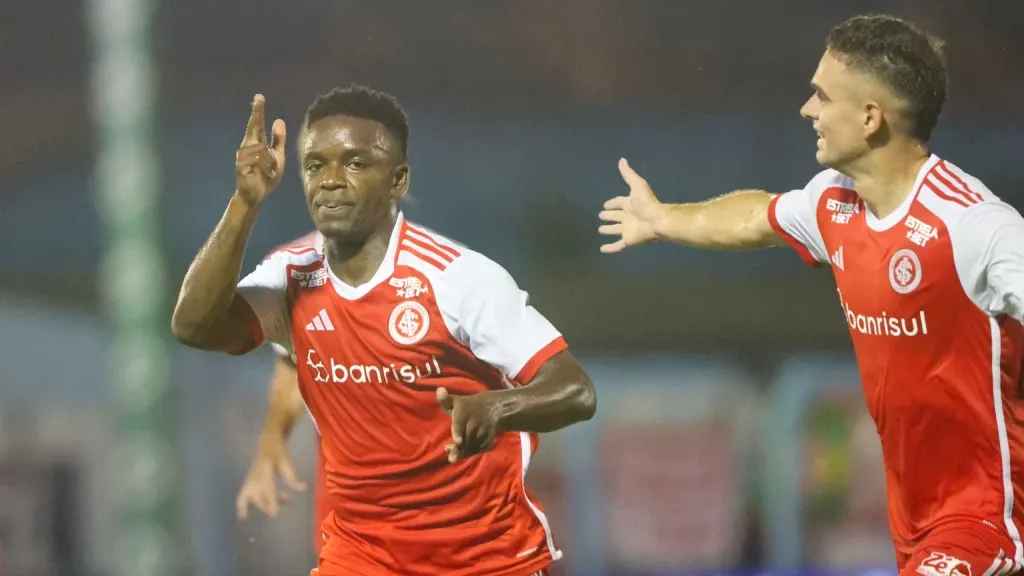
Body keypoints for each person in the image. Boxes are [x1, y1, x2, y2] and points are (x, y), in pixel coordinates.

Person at [599, 14, 1024, 576]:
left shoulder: (975, 225)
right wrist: (662, 219)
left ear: (871, 117)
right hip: (915, 522)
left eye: (822, 95)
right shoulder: (834, 202)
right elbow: (756, 216)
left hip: (988, 516)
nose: (807, 109)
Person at [172, 84, 596, 576]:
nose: (330, 180)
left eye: (354, 163)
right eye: (315, 165)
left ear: (398, 180)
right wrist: (245, 203)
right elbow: (194, 327)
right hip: (360, 557)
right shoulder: (291, 278)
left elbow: (576, 391)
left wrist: (498, 407)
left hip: (485, 559)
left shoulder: (456, 278)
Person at [235, 231, 331, 557]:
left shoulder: (442, 271)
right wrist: (270, 448)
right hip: (346, 486)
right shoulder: (295, 269)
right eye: (313, 174)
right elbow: (292, 371)